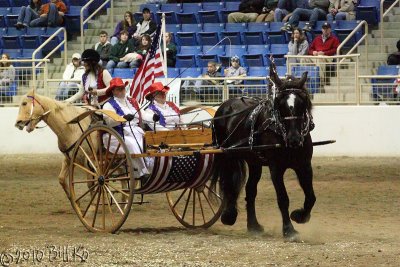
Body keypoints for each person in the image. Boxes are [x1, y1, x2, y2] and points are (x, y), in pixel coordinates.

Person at [102, 77, 150, 181]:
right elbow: (109, 121)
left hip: (135, 131)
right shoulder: (108, 105)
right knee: (132, 143)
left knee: (150, 141)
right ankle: (141, 172)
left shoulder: (133, 101)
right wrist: (123, 118)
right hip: (117, 135)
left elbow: (145, 115)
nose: (122, 90)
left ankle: (151, 168)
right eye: (119, 89)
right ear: (113, 91)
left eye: (123, 88)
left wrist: (154, 118)